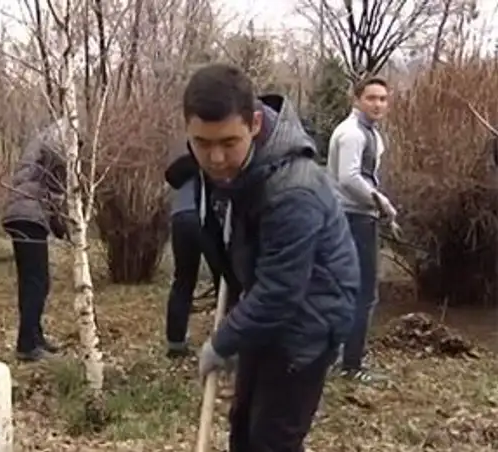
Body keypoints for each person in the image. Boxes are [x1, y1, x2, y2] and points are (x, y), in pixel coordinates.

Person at [165, 63, 359, 451]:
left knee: (272, 439)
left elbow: (282, 289)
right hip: (267, 314)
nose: (216, 158)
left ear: (254, 123)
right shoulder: (240, 168)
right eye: (202, 143)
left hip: (308, 320)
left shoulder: (292, 189)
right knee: (244, 428)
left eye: (228, 143)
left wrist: (223, 342)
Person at [326, 76, 395, 383]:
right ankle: (352, 365)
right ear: (357, 99)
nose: (378, 104)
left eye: (382, 99)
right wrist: (381, 203)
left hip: (355, 216)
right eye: (371, 98)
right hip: (353, 217)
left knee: (345, 290)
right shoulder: (353, 133)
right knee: (364, 293)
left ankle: (339, 355)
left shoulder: (369, 133)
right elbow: (348, 177)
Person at [3, 119, 70, 362]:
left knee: (32, 282)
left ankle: (34, 336)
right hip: (28, 216)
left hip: (19, 214)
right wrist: (63, 228)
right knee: (37, 282)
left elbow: (49, 193)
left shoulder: (37, 148)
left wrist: (60, 228)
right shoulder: (51, 145)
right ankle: (26, 345)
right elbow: (52, 195)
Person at [165, 169, 223, 358]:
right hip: (203, 215)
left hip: (179, 217)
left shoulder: (184, 167)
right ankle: (225, 340)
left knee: (182, 280)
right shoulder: (216, 163)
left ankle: (175, 343)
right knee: (223, 278)